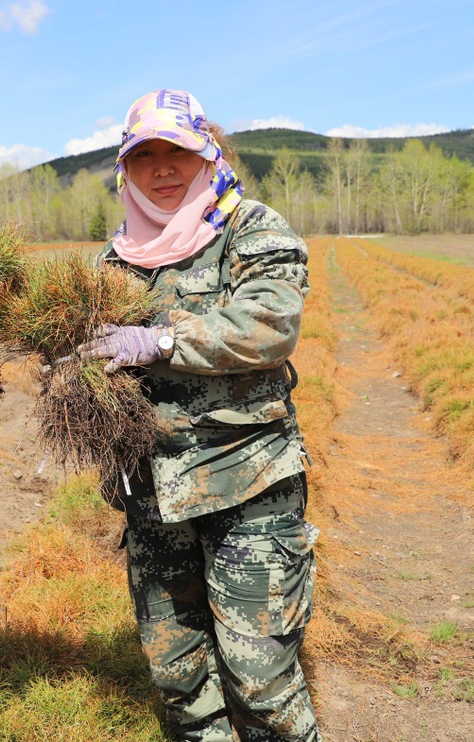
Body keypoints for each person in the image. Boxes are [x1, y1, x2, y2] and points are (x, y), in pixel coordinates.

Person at [77, 89, 320, 741]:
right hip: (153, 498)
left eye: (175, 153)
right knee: (179, 678)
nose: (161, 169)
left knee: (260, 680)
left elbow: (267, 326)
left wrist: (160, 341)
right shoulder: (117, 257)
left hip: (248, 486)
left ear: (207, 153)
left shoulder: (253, 229)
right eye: (144, 156)